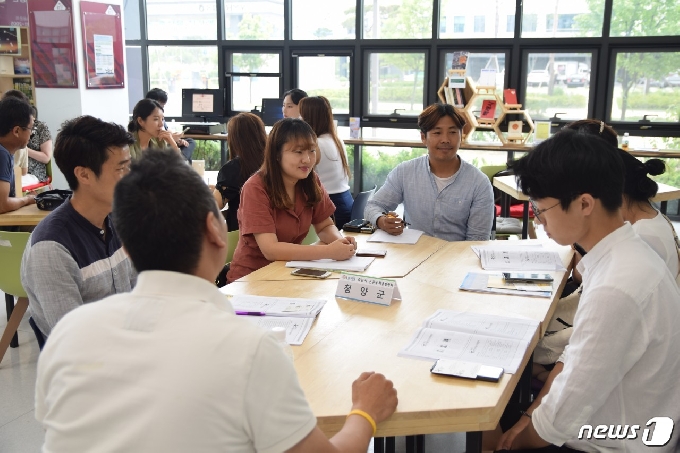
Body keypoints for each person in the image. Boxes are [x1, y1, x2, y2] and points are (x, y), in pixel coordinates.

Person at [35, 148, 398, 452]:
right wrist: (364, 412)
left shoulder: (69, 332)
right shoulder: (249, 349)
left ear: (126, 248)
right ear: (215, 229)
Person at [493, 129, 680, 452]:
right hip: (616, 422)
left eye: (540, 210)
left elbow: (559, 421)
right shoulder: (622, 256)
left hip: (611, 443)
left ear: (584, 204)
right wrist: (531, 413)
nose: (539, 222)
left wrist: (517, 437)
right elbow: (575, 358)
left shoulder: (617, 286)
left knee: (484, 425)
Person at [21, 116, 137, 342]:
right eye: (121, 169)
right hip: (91, 364)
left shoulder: (119, 219)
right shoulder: (52, 249)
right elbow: (75, 341)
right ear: (83, 174)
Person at [227, 118, 357, 282]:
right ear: (276, 154)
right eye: (298, 152)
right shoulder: (255, 188)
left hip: (289, 272)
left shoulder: (310, 181)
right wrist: (330, 251)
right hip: (252, 279)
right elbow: (271, 250)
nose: (307, 159)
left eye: (312, 150)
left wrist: (342, 244)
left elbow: (324, 226)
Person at [364, 103, 494, 241]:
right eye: (437, 133)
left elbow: (477, 240)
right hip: (415, 255)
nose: (445, 140)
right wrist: (381, 221)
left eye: (453, 132)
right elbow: (373, 206)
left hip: (457, 259)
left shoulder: (479, 183)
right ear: (423, 137)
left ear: (461, 136)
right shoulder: (405, 172)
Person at [299, 95, 354, 229]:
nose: (299, 119)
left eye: (301, 115)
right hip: (346, 201)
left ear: (308, 118)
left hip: (330, 208)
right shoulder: (336, 140)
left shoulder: (316, 145)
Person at [212, 112, 266, 231]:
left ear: (234, 138)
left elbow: (214, 206)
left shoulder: (233, 168)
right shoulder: (274, 162)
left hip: (241, 236)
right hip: (276, 234)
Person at [2, 89, 52, 182]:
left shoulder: (40, 127)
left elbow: (46, 157)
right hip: (12, 169)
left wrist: (22, 149)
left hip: (32, 172)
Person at [0, 96, 36, 214]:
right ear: (16, 131)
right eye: (31, 129)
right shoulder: (2, 154)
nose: (31, 134)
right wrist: (27, 199)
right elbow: (2, 205)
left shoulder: (5, 151)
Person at [145, 87, 196, 163]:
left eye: (163, 106)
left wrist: (178, 140)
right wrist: (171, 140)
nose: (161, 108)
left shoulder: (160, 116)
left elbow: (168, 132)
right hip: (160, 143)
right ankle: (182, 159)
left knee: (189, 142)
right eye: (160, 105)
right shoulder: (148, 117)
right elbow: (155, 138)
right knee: (185, 152)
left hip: (166, 141)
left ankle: (183, 159)